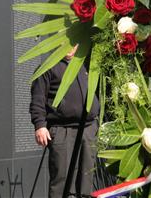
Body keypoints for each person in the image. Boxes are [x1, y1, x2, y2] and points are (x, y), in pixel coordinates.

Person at [30, 44, 100, 198]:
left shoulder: (84, 64)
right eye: (64, 42)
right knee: (61, 178)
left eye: (73, 43)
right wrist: (40, 126)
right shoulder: (47, 68)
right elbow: (38, 99)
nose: (68, 47)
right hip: (62, 130)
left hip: (88, 129)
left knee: (86, 177)